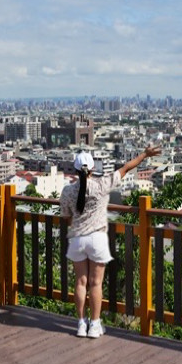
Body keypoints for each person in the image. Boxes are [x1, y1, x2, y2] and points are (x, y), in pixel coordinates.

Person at [59, 145, 161, 338]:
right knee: (96, 283)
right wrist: (145, 154)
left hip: (77, 238)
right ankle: (95, 325)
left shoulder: (68, 191)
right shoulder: (102, 184)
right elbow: (126, 168)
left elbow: (66, 217)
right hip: (97, 238)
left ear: (75, 168)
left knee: (81, 282)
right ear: (92, 169)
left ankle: (81, 324)